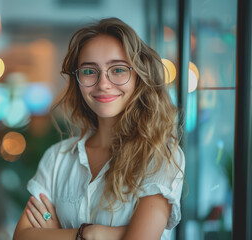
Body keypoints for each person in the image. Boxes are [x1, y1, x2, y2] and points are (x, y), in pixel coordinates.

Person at [13, 17, 185, 240]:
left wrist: (59, 234)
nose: (103, 83)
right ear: (78, 80)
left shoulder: (160, 156)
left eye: (118, 70)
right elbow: (22, 236)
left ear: (139, 77)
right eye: (89, 71)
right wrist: (89, 234)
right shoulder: (57, 158)